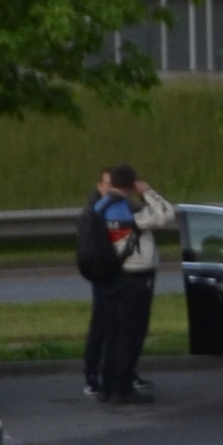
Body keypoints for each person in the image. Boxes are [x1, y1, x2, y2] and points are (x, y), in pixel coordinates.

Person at [74, 161, 175, 403]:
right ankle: (123, 387)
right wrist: (148, 192)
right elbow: (166, 215)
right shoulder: (129, 209)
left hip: (110, 275)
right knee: (131, 333)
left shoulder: (99, 206)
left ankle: (108, 385)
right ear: (132, 184)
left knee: (113, 332)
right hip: (134, 277)